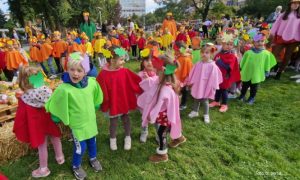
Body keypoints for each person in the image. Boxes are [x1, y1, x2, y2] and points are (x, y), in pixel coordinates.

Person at [45, 52, 103, 180]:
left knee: (92, 142)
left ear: (85, 71)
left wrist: (97, 104)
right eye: (72, 69)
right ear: (67, 69)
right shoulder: (64, 89)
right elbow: (56, 102)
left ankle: (93, 158)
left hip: (90, 121)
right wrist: (56, 115)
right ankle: (76, 165)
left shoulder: (91, 83)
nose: (75, 73)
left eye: (79, 70)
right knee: (80, 147)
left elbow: (97, 94)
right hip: (77, 125)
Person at [13, 66, 63, 178]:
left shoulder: (25, 94)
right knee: (55, 137)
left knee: (42, 145)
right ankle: (60, 157)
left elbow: (23, 109)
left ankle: (44, 169)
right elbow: (53, 101)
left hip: (36, 123)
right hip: (48, 119)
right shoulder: (45, 90)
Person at [138, 51, 186, 163]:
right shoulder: (164, 81)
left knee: (161, 133)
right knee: (170, 127)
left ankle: (162, 153)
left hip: (164, 116)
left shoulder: (165, 88)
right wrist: (147, 79)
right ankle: (178, 137)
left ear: (162, 70)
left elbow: (158, 105)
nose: (153, 70)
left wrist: (151, 116)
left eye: (155, 68)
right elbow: (153, 82)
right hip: (168, 114)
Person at [96, 46, 142, 151]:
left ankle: (128, 136)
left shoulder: (124, 71)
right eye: (121, 59)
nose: (124, 62)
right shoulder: (103, 74)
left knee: (126, 118)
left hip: (124, 101)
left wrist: (147, 84)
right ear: (112, 60)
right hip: (113, 102)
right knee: (114, 121)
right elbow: (98, 88)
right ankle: (112, 139)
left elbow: (136, 81)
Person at [187, 45, 223, 123]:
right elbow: (193, 73)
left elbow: (215, 77)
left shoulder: (212, 65)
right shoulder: (198, 64)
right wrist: (190, 82)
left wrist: (212, 86)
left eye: (207, 53)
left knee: (205, 100)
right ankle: (195, 111)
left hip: (206, 86)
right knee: (196, 98)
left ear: (211, 54)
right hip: (198, 85)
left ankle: (206, 114)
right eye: (202, 52)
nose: (204, 54)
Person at [238, 34, 277, 104]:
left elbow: (267, 63)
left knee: (254, 88)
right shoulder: (248, 53)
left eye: (262, 41)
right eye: (258, 41)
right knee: (244, 86)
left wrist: (267, 71)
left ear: (264, 42)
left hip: (257, 74)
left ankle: (252, 97)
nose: (260, 43)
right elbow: (243, 62)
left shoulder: (266, 54)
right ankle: (242, 95)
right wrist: (241, 68)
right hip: (247, 72)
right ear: (254, 42)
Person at [209, 33, 241, 112]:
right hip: (218, 76)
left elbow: (229, 67)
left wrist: (220, 62)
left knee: (224, 90)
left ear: (232, 46)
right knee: (217, 89)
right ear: (222, 44)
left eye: (230, 44)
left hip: (225, 76)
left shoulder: (232, 56)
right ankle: (216, 101)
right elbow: (214, 64)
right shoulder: (219, 54)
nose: (228, 46)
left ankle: (224, 104)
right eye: (226, 44)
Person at [270, 0, 300, 80]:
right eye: (294, 3)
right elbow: (276, 24)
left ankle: (279, 73)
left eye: (298, 4)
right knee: (274, 54)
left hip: (294, 39)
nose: (296, 5)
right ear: (290, 4)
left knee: (287, 56)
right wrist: (272, 34)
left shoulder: (299, 15)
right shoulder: (283, 14)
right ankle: (269, 69)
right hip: (281, 37)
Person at [137, 48, 159, 143]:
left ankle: (159, 133)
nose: (149, 62)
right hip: (144, 102)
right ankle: (144, 131)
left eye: (152, 60)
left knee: (156, 119)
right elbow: (138, 89)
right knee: (144, 117)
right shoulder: (140, 74)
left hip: (155, 103)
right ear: (143, 62)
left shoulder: (159, 74)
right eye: (146, 60)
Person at [174, 42, 193, 110]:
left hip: (184, 78)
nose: (174, 51)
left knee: (184, 90)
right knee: (179, 90)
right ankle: (178, 102)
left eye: (176, 50)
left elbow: (189, 69)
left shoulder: (186, 58)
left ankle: (183, 104)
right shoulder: (178, 56)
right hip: (178, 77)